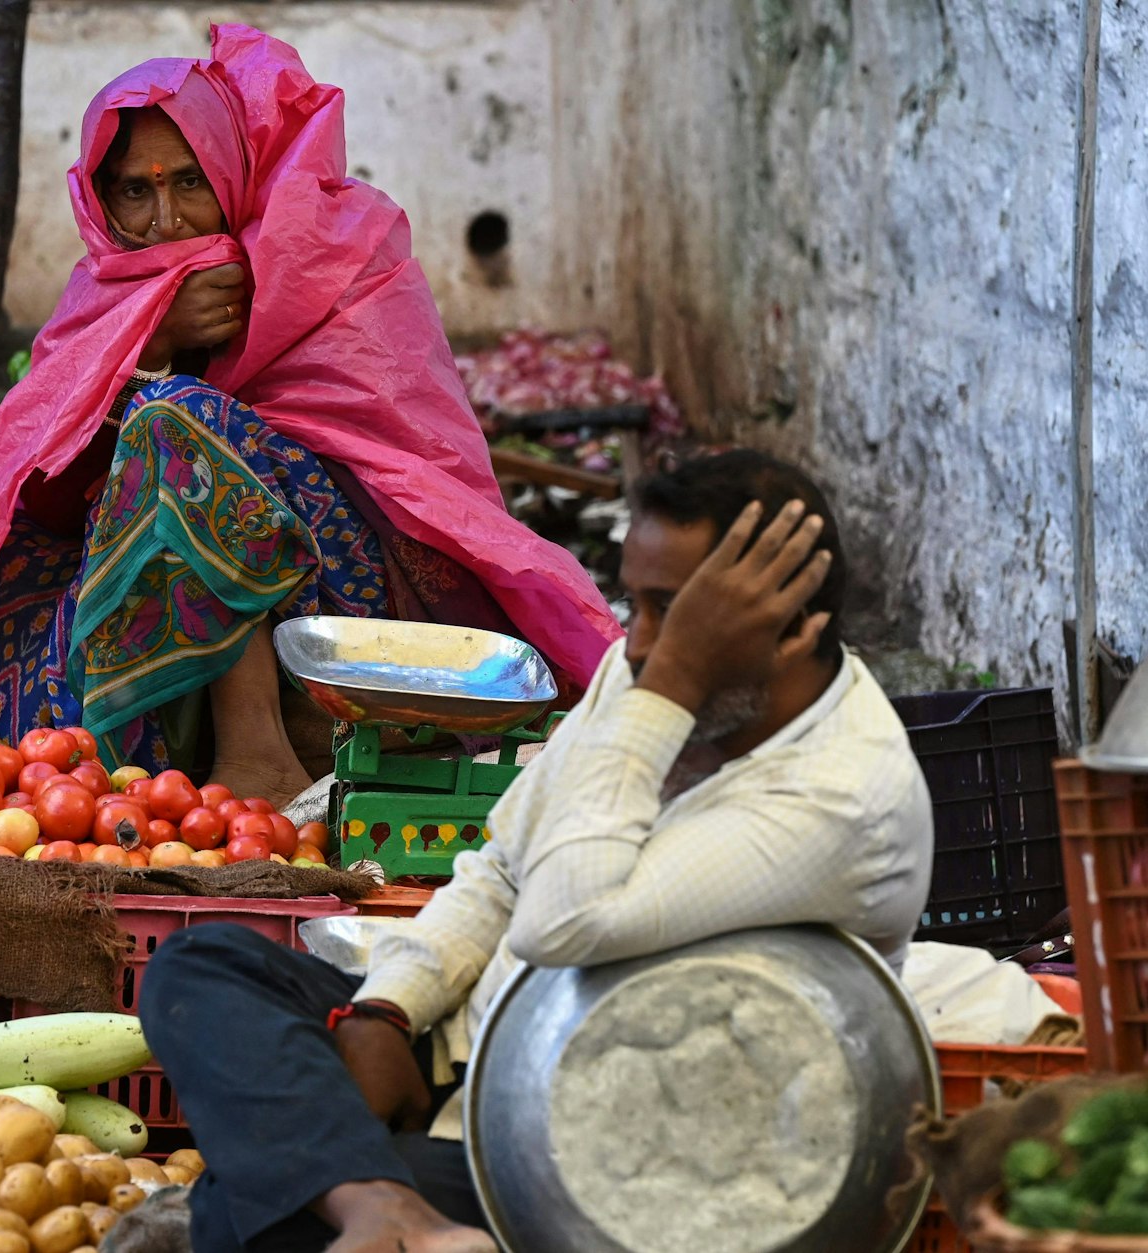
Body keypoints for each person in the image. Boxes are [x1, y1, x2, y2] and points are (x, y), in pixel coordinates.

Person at [138, 450, 936, 1253]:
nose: (638, 645)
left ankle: (339, 1191)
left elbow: (563, 921)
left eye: (676, 615)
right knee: (200, 967)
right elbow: (502, 866)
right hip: (485, 1041)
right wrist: (388, 1010)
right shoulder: (650, 673)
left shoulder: (842, 794)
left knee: (244, 1213)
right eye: (636, 605)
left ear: (792, 626)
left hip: (614, 1142)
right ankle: (382, 1206)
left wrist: (670, 688)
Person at [0, 25, 620, 805]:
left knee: (177, 422)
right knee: (26, 560)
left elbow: (405, 460)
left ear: (230, 172)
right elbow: (47, 489)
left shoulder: (333, 249)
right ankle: (124, 756)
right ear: (102, 201)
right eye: (135, 192)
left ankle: (259, 749)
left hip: (353, 583)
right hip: (173, 580)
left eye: (189, 182)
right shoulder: (107, 295)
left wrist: (190, 402)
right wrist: (154, 340)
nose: (166, 219)